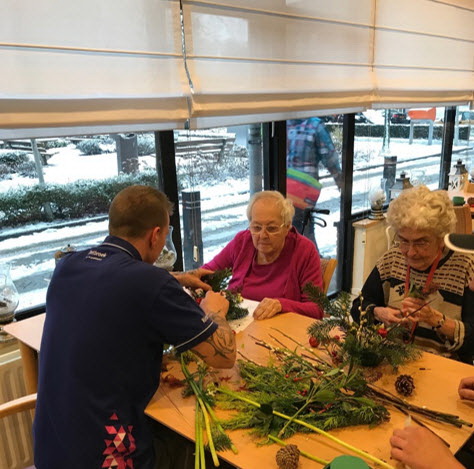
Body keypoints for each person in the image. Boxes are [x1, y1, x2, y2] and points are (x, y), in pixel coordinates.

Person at [33, 185, 236, 469]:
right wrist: (215, 311)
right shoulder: (151, 284)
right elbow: (224, 357)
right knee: (217, 452)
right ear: (155, 235)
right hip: (106, 458)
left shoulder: (67, 265)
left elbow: (112, 284)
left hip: (51, 450)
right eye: (165, 235)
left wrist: (177, 278)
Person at [351, 185, 474, 363]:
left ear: (441, 238)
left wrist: (436, 320)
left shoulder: (465, 268)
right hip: (392, 361)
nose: (410, 252)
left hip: (444, 366)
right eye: (403, 240)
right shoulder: (392, 259)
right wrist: (379, 313)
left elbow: (471, 343)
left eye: (421, 242)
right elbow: (357, 308)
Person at [390, 233, 474, 469]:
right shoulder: (392, 260)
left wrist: (441, 462)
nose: (471, 283)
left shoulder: (461, 268)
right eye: (404, 240)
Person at [201, 190, 324, 319]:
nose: (263, 235)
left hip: (280, 331)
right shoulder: (242, 242)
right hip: (238, 324)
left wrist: (281, 305)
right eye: (256, 227)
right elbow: (207, 273)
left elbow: (316, 309)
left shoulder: (304, 250)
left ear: (287, 227)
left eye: (271, 228)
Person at [286, 117, 343, 244]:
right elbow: (329, 157)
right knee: (304, 231)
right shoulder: (315, 125)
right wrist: (341, 181)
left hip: (283, 189)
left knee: (291, 230)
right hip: (303, 193)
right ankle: (313, 260)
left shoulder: (282, 123)